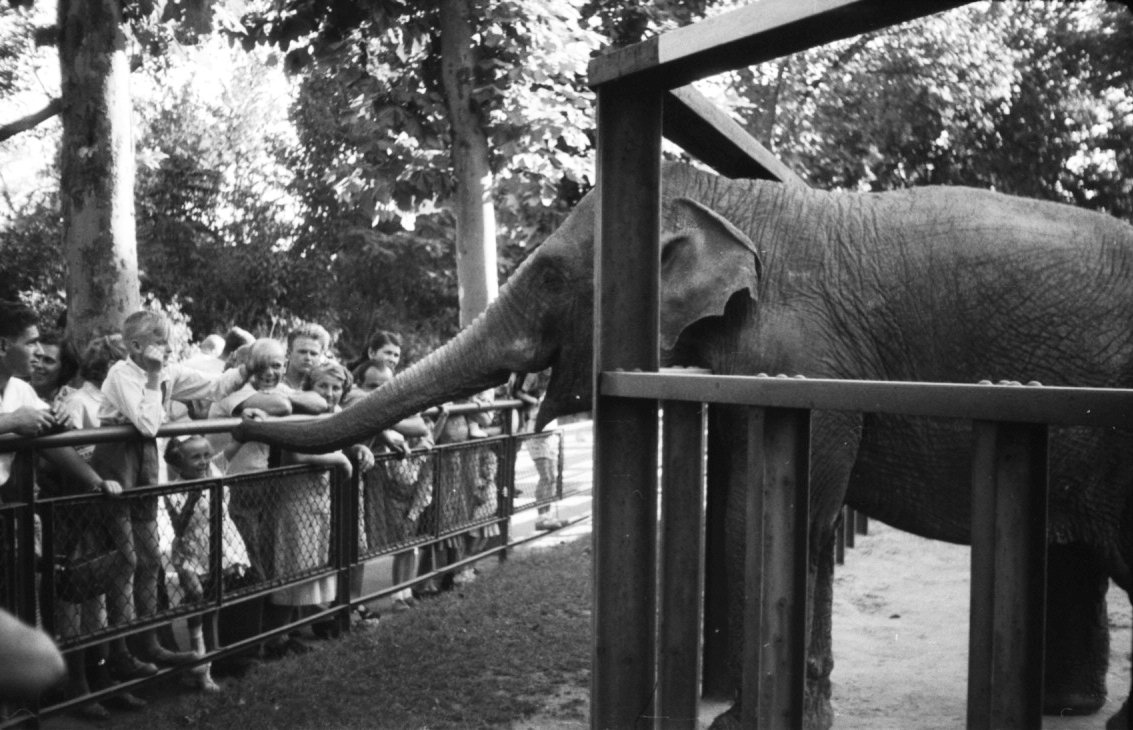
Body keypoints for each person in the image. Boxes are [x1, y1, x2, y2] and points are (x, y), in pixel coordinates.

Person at [90, 309, 248, 679]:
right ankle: (119, 650)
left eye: (167, 342)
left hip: (145, 468)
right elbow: (148, 425)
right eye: (159, 342)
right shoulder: (122, 374)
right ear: (136, 346)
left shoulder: (168, 373)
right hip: (117, 467)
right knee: (124, 562)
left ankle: (148, 641)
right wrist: (155, 375)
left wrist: (246, 370)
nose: (166, 349)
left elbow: (213, 386)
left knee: (148, 561)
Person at [208, 337, 327, 661]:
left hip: (260, 487)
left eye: (277, 365)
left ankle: (256, 646)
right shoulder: (237, 392)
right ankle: (235, 656)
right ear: (246, 367)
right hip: (229, 487)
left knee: (259, 567)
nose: (271, 372)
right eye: (263, 366)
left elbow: (318, 403)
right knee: (244, 571)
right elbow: (284, 407)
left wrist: (287, 398)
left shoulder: (272, 391)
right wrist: (287, 399)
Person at [271, 361, 373, 641]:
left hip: (322, 498)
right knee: (293, 567)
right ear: (310, 387)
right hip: (297, 498)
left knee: (314, 564)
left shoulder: (337, 413)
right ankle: (278, 638)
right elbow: (297, 455)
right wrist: (338, 458)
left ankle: (305, 627)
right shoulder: (302, 414)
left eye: (336, 387)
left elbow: (343, 441)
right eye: (322, 386)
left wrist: (359, 448)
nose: (329, 393)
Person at [162, 435, 249, 693]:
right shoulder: (174, 489)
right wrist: (199, 489)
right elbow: (178, 525)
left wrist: (249, 427)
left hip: (219, 547)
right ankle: (196, 657)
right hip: (190, 550)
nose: (203, 462)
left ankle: (205, 670)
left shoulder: (215, 469)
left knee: (212, 606)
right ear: (180, 462)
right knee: (197, 598)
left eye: (205, 455)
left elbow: (234, 446)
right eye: (195, 457)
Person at [350, 360, 431, 613]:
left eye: (385, 386)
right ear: (359, 384)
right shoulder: (352, 398)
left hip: (374, 480)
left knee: (362, 544)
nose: (379, 391)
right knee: (352, 544)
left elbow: (419, 426)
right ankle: (348, 605)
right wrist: (384, 416)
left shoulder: (386, 405)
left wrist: (381, 420)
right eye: (372, 386)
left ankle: (355, 603)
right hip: (349, 477)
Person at [511, 370, 565, 530]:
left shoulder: (553, 375)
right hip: (536, 429)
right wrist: (535, 401)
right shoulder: (533, 374)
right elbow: (518, 392)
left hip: (550, 429)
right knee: (546, 475)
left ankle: (547, 515)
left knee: (552, 477)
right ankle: (541, 517)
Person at [29, 331, 80, 403]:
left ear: (64, 369)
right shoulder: (14, 393)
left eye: (48, 360)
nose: (38, 365)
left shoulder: (76, 401)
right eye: (36, 356)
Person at [281, 323, 330, 391]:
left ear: (320, 356)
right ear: (289, 353)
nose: (308, 358)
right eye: (302, 352)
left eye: (313, 354)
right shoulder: (270, 380)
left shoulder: (325, 389)